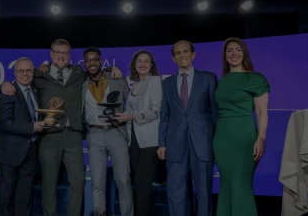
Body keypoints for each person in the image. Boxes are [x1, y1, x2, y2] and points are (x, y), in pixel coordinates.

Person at [0, 39, 122, 216]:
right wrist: (3, 84)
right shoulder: (39, 73)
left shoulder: (79, 72)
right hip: (49, 135)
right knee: (49, 183)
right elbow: (20, 78)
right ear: (51, 54)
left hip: (73, 135)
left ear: (69, 55)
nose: (61, 55)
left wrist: (112, 70)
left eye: (64, 52)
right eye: (57, 52)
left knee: (79, 180)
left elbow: (96, 71)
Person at [157, 40, 218, 216]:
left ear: (193, 55)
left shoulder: (208, 78)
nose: (182, 55)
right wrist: (161, 143)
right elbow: (165, 116)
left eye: (185, 52)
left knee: (204, 190)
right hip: (175, 142)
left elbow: (215, 112)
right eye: (178, 53)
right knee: (175, 190)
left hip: (203, 141)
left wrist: (218, 142)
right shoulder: (166, 83)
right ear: (174, 58)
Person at [213, 38, 269, 216]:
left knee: (240, 184)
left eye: (238, 49)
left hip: (245, 137)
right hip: (222, 139)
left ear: (244, 53)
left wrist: (261, 138)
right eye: (230, 50)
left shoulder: (256, 78)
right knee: (227, 184)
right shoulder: (222, 80)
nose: (234, 53)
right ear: (225, 56)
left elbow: (261, 111)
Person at [81, 47, 133, 216]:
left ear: (101, 61)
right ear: (85, 64)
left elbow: (131, 104)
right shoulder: (81, 84)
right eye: (88, 60)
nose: (91, 63)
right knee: (97, 183)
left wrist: (127, 118)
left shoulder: (116, 77)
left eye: (94, 59)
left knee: (123, 180)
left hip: (116, 132)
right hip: (94, 135)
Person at [0, 57, 48, 216]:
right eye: (21, 70)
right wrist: (32, 127)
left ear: (33, 72)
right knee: (6, 197)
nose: (25, 74)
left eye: (29, 70)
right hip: (10, 152)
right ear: (15, 73)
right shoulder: (7, 92)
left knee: (25, 195)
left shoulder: (35, 91)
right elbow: (5, 124)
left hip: (30, 150)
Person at [111, 49, 162, 216]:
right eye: (139, 61)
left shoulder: (155, 81)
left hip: (149, 140)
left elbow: (155, 110)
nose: (142, 64)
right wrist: (120, 117)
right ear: (134, 65)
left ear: (151, 65)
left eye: (146, 61)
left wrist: (129, 117)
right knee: (141, 185)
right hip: (133, 140)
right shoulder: (136, 84)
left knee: (141, 183)